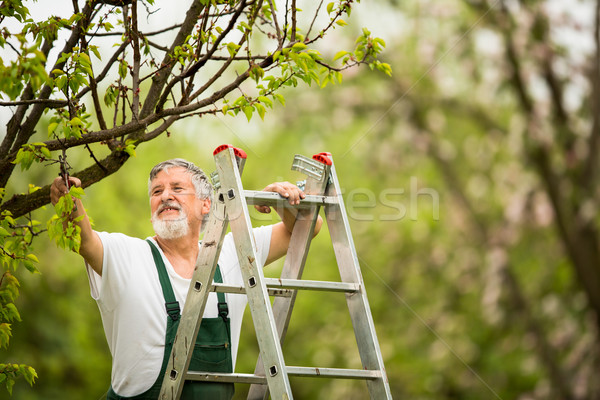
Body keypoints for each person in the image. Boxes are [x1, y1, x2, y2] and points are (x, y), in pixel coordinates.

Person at [50, 158, 322, 399]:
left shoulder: (231, 253)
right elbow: (83, 240)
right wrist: (67, 200)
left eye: (177, 188)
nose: (165, 196)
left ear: (206, 205)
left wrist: (279, 201)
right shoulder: (129, 254)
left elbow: (308, 227)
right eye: (157, 191)